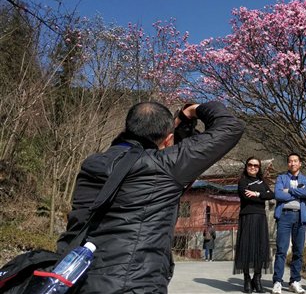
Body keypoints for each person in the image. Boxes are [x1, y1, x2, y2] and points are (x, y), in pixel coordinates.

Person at [56, 101, 244, 293]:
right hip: (135, 284)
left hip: (75, 278)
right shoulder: (163, 167)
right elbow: (231, 126)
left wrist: (182, 125)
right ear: (168, 140)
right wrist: (193, 110)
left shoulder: (92, 164)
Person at [271, 153, 306, 294]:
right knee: (281, 250)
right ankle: (277, 281)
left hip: (300, 217)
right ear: (287, 164)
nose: (292, 163)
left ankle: (294, 281)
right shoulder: (281, 178)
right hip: (284, 216)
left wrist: (289, 190)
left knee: (298, 251)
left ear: (300, 163)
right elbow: (278, 194)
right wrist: (298, 192)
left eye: (295, 161)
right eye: (290, 161)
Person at [234, 156, 275, 293]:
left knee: (260, 248)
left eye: (256, 166)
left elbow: (271, 195)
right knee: (246, 247)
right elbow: (245, 196)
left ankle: (257, 279)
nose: (253, 167)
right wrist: (261, 195)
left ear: (259, 168)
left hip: (261, 217)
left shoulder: (262, 181)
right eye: (250, 165)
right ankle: (247, 278)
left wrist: (256, 193)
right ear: (246, 166)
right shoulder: (242, 181)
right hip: (247, 217)